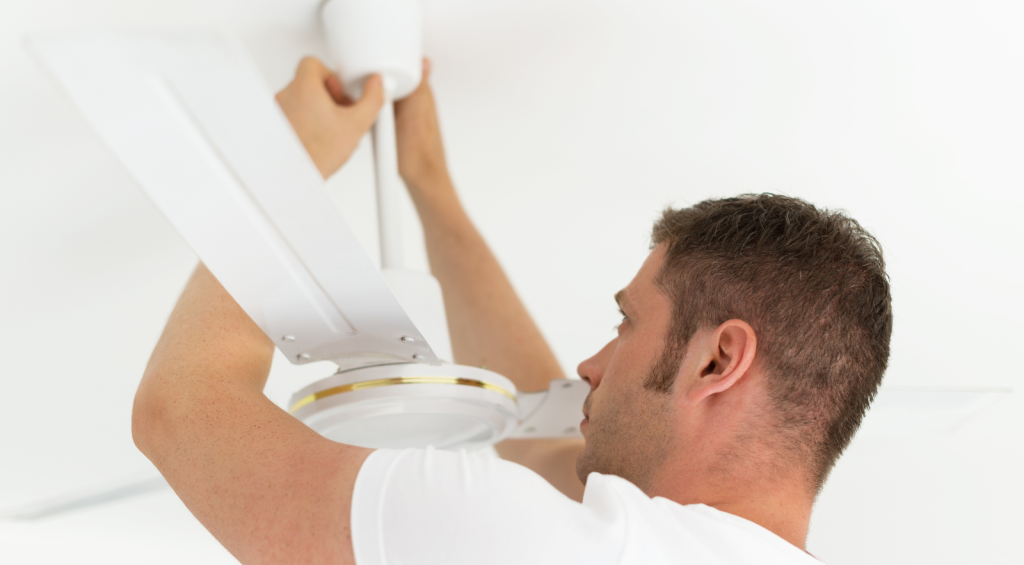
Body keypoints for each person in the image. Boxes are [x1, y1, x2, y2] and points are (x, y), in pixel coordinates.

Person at [132, 56, 892, 565]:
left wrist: (278, 163)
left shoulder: (522, 540)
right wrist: (429, 187)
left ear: (717, 361)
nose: (589, 368)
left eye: (627, 323)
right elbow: (540, 438)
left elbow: (179, 411)